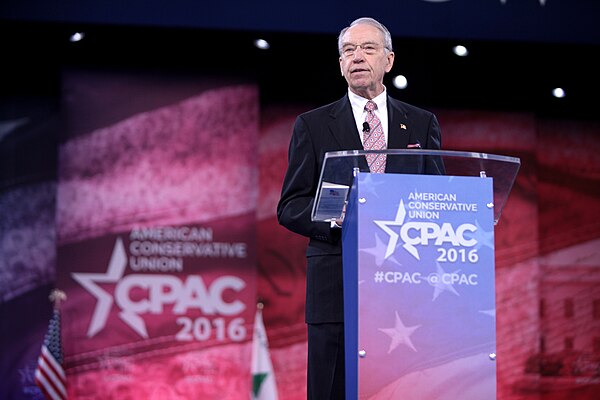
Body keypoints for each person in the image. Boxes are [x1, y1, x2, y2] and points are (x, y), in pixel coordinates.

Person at [277, 17, 443, 399]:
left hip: (404, 290)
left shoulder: (420, 123)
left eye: (367, 49)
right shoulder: (313, 125)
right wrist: (345, 219)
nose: (357, 57)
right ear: (339, 65)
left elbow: (437, 199)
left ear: (388, 59)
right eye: (348, 51)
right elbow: (290, 205)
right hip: (336, 287)